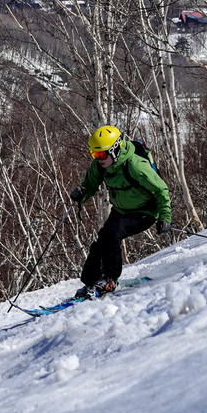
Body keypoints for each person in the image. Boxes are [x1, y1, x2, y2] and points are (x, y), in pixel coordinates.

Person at [69, 124, 172, 298]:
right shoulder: (101, 165)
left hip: (144, 212)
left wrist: (165, 217)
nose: (98, 158)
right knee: (101, 242)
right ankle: (90, 281)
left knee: (111, 235)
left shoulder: (136, 166)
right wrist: (81, 193)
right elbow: (90, 183)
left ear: (115, 149)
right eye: (94, 154)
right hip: (121, 211)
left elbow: (161, 189)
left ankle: (109, 280)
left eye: (101, 154)